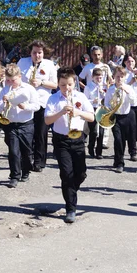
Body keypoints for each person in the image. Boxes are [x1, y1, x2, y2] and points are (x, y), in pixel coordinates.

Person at [45, 67, 95, 223]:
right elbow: (47, 120)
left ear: (74, 84)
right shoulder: (53, 99)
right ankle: (70, 208)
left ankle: (70, 191)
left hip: (78, 138)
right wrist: (61, 112)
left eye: (69, 85)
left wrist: (78, 112)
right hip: (61, 140)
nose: (66, 88)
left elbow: (92, 117)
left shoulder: (80, 96)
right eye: (63, 85)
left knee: (80, 174)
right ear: (58, 84)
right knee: (66, 174)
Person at [17, 40, 58, 172]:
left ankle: (39, 162)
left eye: (39, 53)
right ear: (30, 52)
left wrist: (41, 82)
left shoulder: (49, 64)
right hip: (26, 102)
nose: (37, 55)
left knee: (41, 134)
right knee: (27, 133)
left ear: (43, 53)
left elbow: (55, 85)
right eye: (34, 52)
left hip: (42, 102)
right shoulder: (22, 62)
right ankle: (27, 160)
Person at [0, 63, 40, 188]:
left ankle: (26, 171)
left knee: (26, 151)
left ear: (20, 76)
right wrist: (4, 103)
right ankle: (14, 176)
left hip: (26, 124)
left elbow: (36, 106)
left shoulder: (29, 89)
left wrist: (25, 106)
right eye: (8, 80)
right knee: (13, 151)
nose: (10, 83)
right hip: (10, 124)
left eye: (13, 80)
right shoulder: (5, 90)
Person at [105, 66, 136, 173]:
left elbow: (133, 101)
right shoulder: (111, 89)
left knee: (124, 139)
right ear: (114, 77)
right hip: (115, 117)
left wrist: (127, 91)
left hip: (127, 116)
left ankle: (117, 159)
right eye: (117, 76)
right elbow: (106, 103)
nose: (119, 79)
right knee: (118, 139)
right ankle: (120, 163)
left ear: (125, 77)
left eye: (122, 76)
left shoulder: (129, 88)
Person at [123, 52, 137, 159]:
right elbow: (122, 86)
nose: (130, 63)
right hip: (129, 104)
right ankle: (133, 152)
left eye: (132, 61)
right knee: (132, 127)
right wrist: (132, 80)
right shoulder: (123, 74)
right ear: (125, 62)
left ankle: (131, 141)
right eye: (128, 61)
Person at [83, 67, 106, 159]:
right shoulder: (88, 87)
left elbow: (107, 98)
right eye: (97, 78)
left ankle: (99, 152)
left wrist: (103, 93)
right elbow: (85, 100)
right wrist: (93, 101)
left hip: (101, 109)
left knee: (101, 132)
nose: (99, 80)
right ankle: (91, 147)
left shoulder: (103, 86)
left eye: (100, 78)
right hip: (92, 109)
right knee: (94, 131)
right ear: (92, 77)